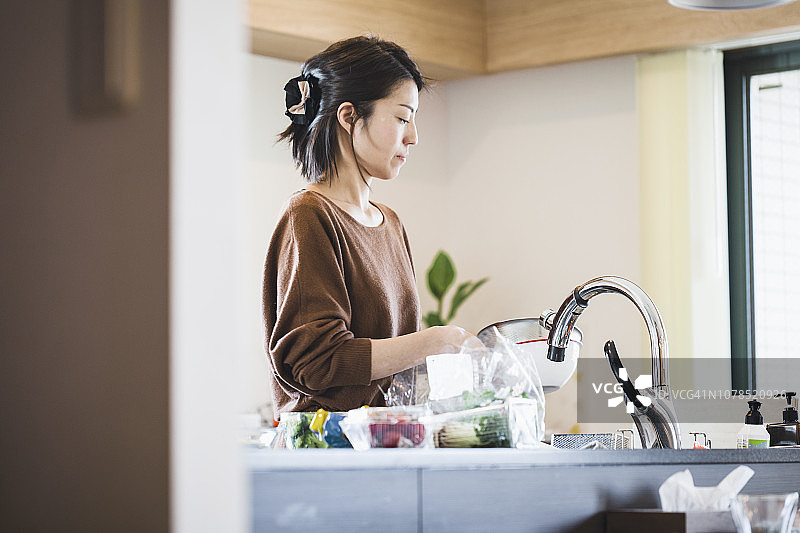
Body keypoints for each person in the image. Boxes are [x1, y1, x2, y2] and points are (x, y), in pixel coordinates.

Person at [263, 35, 482, 419]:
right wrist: (432, 341)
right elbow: (315, 362)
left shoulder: (390, 223)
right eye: (401, 118)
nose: (413, 136)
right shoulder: (309, 215)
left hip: (386, 444)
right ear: (349, 117)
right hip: (329, 455)